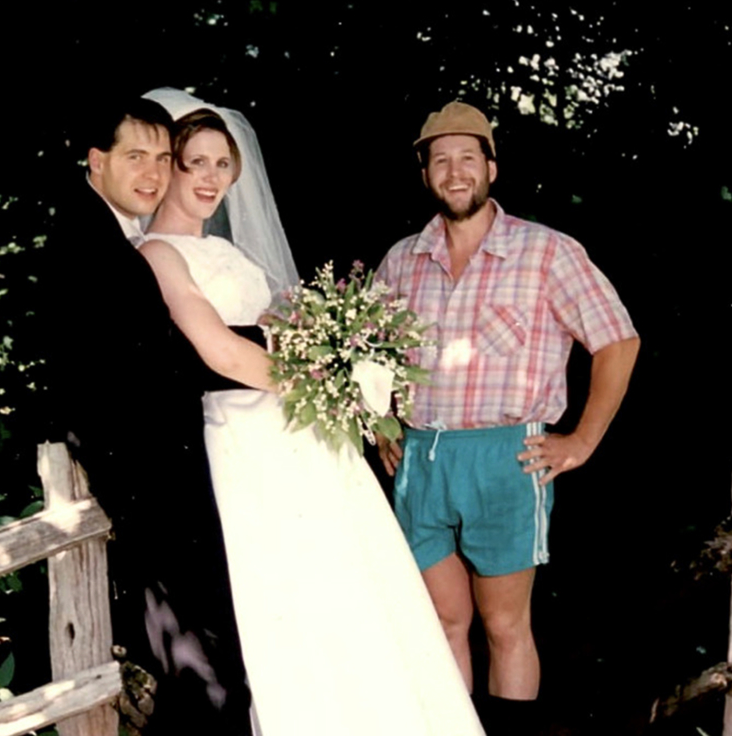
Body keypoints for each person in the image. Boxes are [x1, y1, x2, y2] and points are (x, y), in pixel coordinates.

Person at [138, 87, 485, 736]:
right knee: (290, 596)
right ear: (169, 169)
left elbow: (282, 330)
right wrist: (320, 382)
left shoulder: (236, 255)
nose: (214, 179)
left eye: (224, 164)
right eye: (198, 164)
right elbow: (222, 353)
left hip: (297, 434)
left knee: (355, 587)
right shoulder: (159, 255)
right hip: (243, 436)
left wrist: (344, 364)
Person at [375, 101, 640, 734]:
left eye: (469, 156)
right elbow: (370, 354)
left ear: (492, 166)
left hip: (506, 460)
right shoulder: (402, 260)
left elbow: (618, 341)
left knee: (504, 624)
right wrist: (383, 421)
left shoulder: (546, 252)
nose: (455, 170)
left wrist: (582, 440)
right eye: (440, 159)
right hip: (421, 460)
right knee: (441, 622)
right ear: (425, 174)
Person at [44, 96, 252, 735]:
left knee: (204, 667)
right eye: (137, 156)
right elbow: (150, 366)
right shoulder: (88, 242)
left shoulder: (114, 235)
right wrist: (286, 353)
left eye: (164, 158)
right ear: (97, 160)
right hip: (150, 482)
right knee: (206, 670)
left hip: (168, 474)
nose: (154, 173)